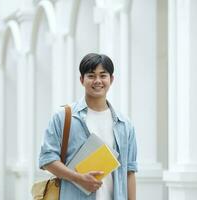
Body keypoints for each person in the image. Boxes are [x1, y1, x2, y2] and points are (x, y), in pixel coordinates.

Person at [38, 53, 137, 200]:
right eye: (91, 75)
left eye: (103, 75)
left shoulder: (125, 125)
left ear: (111, 79)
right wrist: (78, 178)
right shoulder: (63, 117)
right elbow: (47, 160)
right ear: (82, 80)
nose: (98, 81)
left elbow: (129, 172)